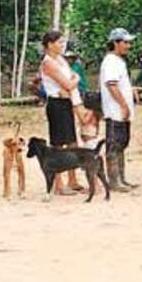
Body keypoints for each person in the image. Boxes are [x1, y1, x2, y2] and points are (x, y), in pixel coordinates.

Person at [40, 30, 85, 195]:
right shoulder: (48, 62)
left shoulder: (60, 60)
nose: (62, 45)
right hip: (56, 103)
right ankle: (58, 183)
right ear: (50, 44)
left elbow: (69, 80)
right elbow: (68, 83)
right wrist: (76, 79)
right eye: (59, 42)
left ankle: (72, 179)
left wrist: (73, 80)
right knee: (58, 144)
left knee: (72, 142)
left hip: (66, 102)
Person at [99, 28, 136, 193]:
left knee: (121, 143)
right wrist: (123, 105)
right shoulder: (111, 61)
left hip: (121, 112)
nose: (128, 45)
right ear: (115, 43)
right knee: (114, 145)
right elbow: (111, 84)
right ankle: (114, 180)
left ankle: (121, 177)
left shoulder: (118, 61)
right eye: (125, 42)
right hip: (115, 112)